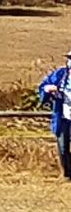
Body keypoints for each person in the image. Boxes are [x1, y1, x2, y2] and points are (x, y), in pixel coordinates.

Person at [40, 50, 71, 180]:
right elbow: (44, 87)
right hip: (63, 117)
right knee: (63, 148)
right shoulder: (60, 75)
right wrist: (48, 89)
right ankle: (68, 174)